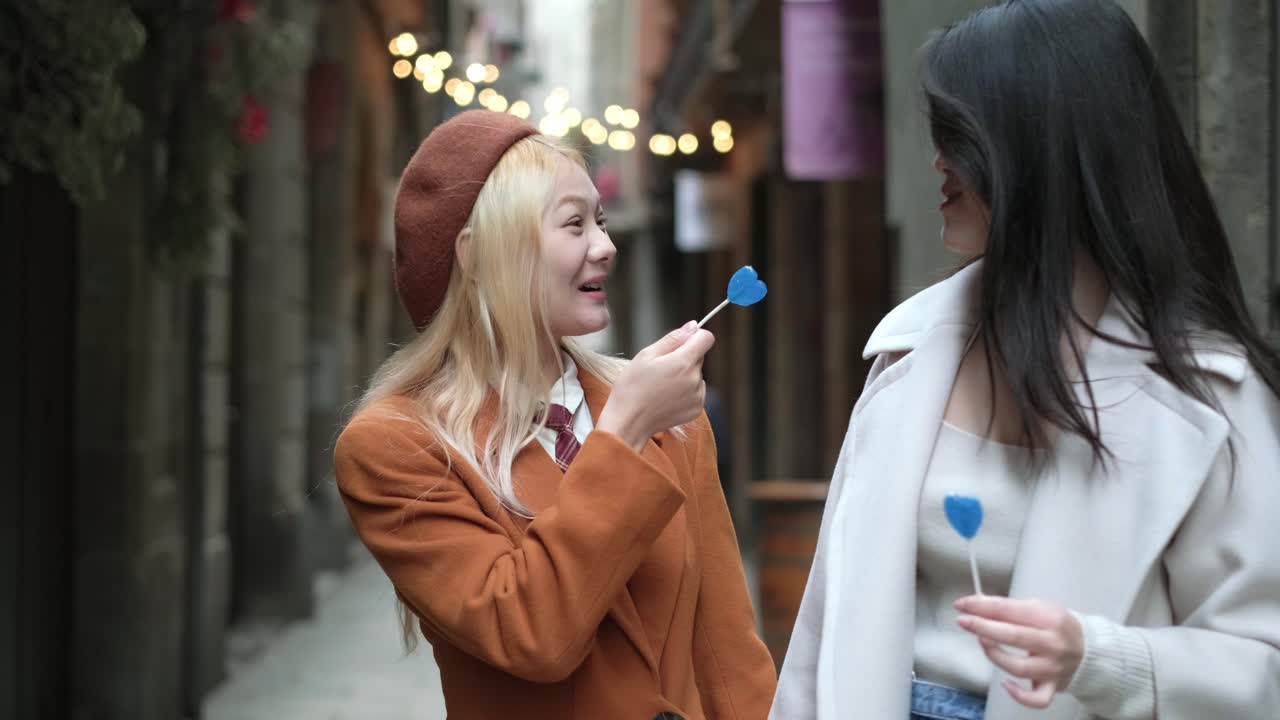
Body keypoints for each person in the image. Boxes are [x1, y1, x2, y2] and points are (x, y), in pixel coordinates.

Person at [770, 1, 1280, 719]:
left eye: (962, 136)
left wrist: (1098, 658)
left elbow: (1262, 663)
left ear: (1041, 146)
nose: (939, 163)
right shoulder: (909, 352)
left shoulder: (1209, 392)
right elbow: (821, 633)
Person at [334, 110, 776, 720]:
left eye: (600, 219)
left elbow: (727, 650)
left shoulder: (668, 417)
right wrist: (623, 434)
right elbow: (531, 634)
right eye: (574, 224)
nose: (606, 246)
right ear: (480, 256)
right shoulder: (395, 446)